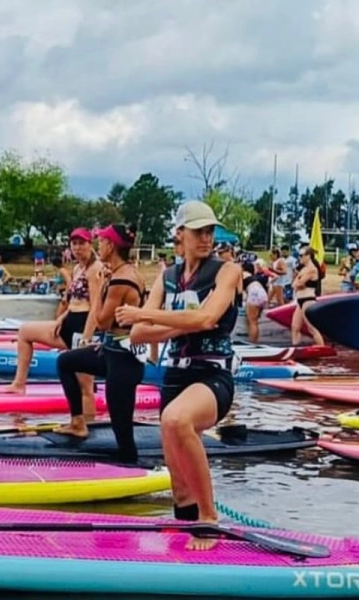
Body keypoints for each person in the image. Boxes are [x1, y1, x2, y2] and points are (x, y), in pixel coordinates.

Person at [118, 200, 240, 550]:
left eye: (210, 231)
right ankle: (185, 524)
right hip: (174, 376)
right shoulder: (168, 276)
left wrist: (152, 317)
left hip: (213, 374)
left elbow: (206, 319)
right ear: (180, 235)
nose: (206, 238)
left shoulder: (226, 272)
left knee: (176, 419)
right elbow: (138, 334)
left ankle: (208, 519)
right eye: (198, 231)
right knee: (177, 476)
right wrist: (175, 326)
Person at [52, 224, 147, 464]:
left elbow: (103, 321)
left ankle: (130, 471)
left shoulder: (121, 279)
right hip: (111, 352)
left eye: (102, 241)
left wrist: (100, 285)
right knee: (66, 361)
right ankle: (77, 422)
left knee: (122, 428)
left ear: (111, 246)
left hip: (124, 361)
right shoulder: (122, 273)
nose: (99, 246)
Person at [0, 228, 102, 416]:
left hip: (83, 325)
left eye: (81, 243)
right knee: (25, 332)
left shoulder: (95, 269)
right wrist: (61, 318)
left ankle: (89, 427)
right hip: (70, 320)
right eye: (74, 244)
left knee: (85, 386)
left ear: (90, 244)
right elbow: (73, 300)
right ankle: (19, 384)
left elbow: (95, 306)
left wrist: (86, 338)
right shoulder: (78, 268)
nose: (77, 248)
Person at [290, 247, 325, 347]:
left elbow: (297, 283)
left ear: (308, 256)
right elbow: (294, 284)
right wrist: (298, 282)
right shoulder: (304, 269)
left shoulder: (312, 269)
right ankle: (295, 346)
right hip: (300, 300)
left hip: (308, 300)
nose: (299, 258)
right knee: (295, 327)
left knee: (311, 328)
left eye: (301, 255)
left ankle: (321, 347)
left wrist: (299, 282)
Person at [242, 261, 268, 343]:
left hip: (254, 294)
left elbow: (239, 290)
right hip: (262, 293)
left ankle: (253, 343)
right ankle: (253, 339)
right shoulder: (251, 276)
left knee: (252, 321)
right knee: (253, 320)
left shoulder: (241, 274)